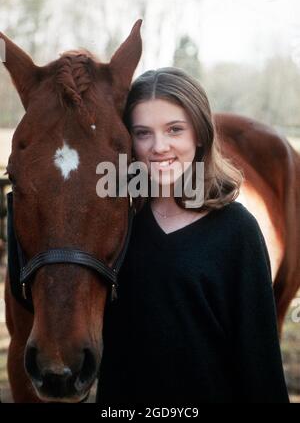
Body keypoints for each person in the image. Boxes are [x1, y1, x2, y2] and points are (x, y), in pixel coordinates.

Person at [96, 67, 289, 404]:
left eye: (174, 130)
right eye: (143, 133)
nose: (159, 146)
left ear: (199, 133)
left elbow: (260, 364)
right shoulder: (121, 225)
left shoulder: (236, 230)